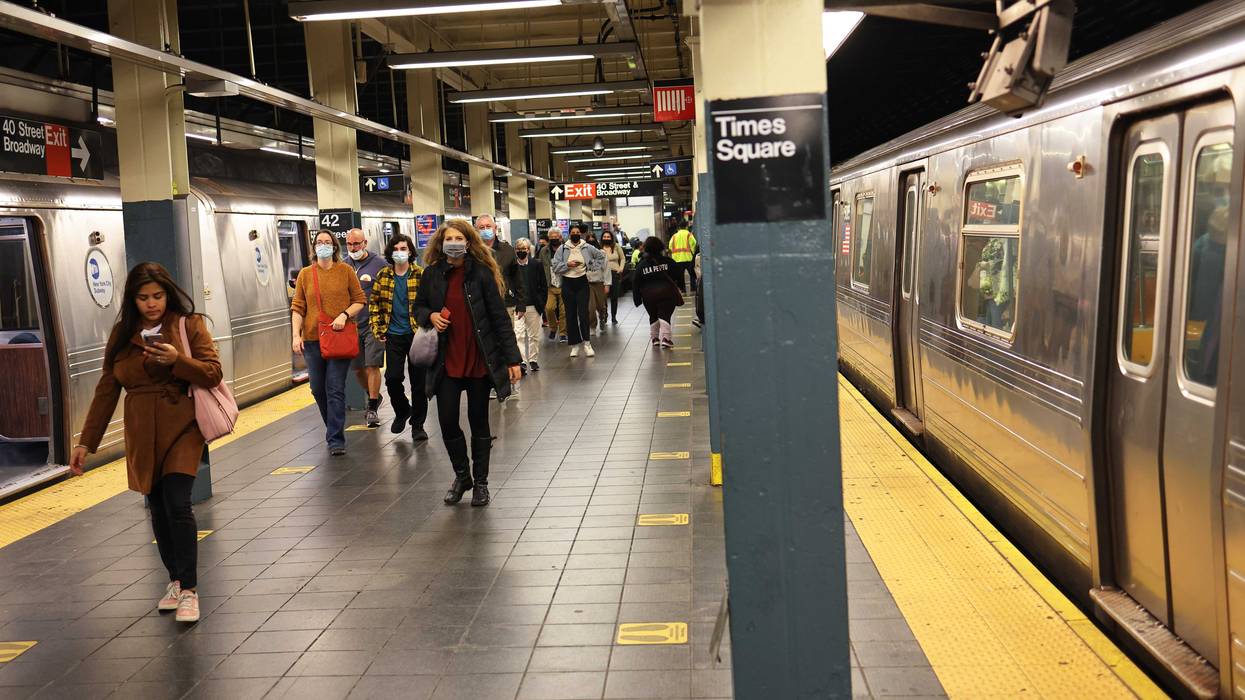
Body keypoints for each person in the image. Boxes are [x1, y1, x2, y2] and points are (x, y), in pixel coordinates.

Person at [72, 262, 223, 624]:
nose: (151, 304)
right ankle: (173, 579)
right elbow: (107, 389)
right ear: (132, 300)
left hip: (182, 423)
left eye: (157, 296)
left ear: (168, 294)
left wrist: (178, 361)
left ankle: (189, 590)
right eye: (143, 298)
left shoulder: (189, 324)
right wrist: (86, 442)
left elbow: (214, 372)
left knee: (177, 502)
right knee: (156, 507)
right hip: (141, 429)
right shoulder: (123, 335)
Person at [415, 219, 522, 507]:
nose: (454, 242)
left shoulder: (482, 274)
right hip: (446, 360)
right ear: (441, 243)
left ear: (468, 242)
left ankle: (481, 484)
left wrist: (513, 360)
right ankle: (463, 476)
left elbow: (499, 319)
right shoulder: (432, 274)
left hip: (478, 358)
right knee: (447, 421)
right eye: (448, 238)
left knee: (479, 423)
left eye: (459, 238)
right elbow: (419, 308)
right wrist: (430, 316)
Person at [291, 230, 366, 456]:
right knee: (317, 389)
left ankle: (335, 439)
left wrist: (344, 315)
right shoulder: (305, 274)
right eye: (319, 242)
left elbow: (359, 300)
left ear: (334, 247)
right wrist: (296, 335)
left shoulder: (345, 271)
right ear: (314, 248)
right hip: (313, 340)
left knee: (334, 388)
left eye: (327, 242)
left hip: (338, 339)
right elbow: (297, 307)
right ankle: (332, 427)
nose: (323, 245)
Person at [368, 233, 429, 441]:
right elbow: (373, 304)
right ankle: (403, 410)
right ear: (390, 253)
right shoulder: (383, 276)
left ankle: (418, 425)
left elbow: (430, 304)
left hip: (416, 335)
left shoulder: (420, 275)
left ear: (410, 251)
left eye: (404, 249)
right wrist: (378, 328)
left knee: (419, 382)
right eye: (396, 249)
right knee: (393, 379)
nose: (400, 253)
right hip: (393, 335)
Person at [345, 228, 387, 427]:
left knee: (372, 365)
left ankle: (371, 408)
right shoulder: (343, 266)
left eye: (357, 243)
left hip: (373, 324)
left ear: (365, 243)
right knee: (358, 369)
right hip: (351, 326)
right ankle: (374, 396)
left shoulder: (379, 264)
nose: (353, 248)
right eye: (350, 244)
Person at [551, 224, 606, 358]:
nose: (575, 234)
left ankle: (587, 344)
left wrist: (591, 266)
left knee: (583, 314)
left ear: (580, 234)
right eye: (573, 232)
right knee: (570, 315)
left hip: (582, 283)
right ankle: (574, 345)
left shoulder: (587, 247)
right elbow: (555, 266)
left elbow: (601, 257)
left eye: (577, 232)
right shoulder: (562, 249)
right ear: (569, 234)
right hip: (568, 284)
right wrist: (567, 265)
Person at [633, 236, 681, 348]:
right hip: (667, 294)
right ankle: (666, 338)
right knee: (664, 314)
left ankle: (655, 338)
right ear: (660, 247)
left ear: (646, 248)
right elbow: (678, 273)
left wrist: (637, 299)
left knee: (653, 315)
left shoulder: (642, 265)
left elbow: (636, 282)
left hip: (648, 296)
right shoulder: (668, 262)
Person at [512, 237, 547, 373]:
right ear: (515, 251)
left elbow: (543, 285)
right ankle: (522, 362)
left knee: (533, 335)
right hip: (517, 306)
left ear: (529, 250)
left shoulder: (536, 264)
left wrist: (541, 302)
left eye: (524, 249)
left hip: (533, 305)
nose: (522, 251)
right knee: (518, 335)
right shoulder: (512, 266)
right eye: (519, 249)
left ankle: (533, 360)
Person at [540, 228, 567, 342]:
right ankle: (553, 328)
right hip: (549, 284)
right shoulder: (544, 251)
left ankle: (563, 333)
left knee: (563, 310)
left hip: (564, 283)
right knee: (549, 308)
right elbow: (540, 266)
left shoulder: (566, 249)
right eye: (552, 237)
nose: (554, 239)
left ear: (560, 237)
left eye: (556, 237)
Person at [600, 230, 626, 325]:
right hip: (602, 275)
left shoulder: (616, 246)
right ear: (602, 238)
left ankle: (614, 316)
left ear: (611, 238)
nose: (606, 238)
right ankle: (604, 315)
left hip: (615, 273)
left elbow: (622, 258)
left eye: (608, 237)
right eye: (605, 237)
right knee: (603, 297)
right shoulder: (599, 247)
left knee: (614, 296)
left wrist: (621, 268)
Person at [668, 221, 698, 292]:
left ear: (679, 227)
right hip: (688, 258)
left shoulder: (674, 236)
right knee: (692, 274)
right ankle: (693, 289)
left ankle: (683, 290)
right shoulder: (689, 235)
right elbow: (693, 244)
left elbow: (670, 246)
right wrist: (693, 254)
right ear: (686, 226)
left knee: (680, 276)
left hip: (677, 259)